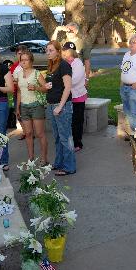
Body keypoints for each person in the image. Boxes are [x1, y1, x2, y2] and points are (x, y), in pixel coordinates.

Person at [44, 40, 76, 176]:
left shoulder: (64, 65)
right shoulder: (51, 65)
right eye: (47, 50)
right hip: (52, 105)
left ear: (58, 51)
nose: (48, 53)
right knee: (57, 137)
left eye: (51, 50)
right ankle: (59, 162)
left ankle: (69, 166)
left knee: (65, 137)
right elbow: (53, 84)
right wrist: (46, 87)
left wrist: (60, 106)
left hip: (61, 106)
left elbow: (68, 88)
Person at [14, 50, 48, 164]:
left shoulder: (36, 73)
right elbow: (19, 92)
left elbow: (45, 89)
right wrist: (17, 107)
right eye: (21, 60)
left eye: (25, 60)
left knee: (39, 134)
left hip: (36, 105)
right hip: (24, 106)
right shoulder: (18, 74)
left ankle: (44, 158)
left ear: (31, 61)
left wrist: (36, 88)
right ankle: (31, 158)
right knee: (28, 133)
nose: (23, 62)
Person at [62, 42, 87, 152]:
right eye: (64, 50)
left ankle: (78, 143)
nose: (65, 53)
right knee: (69, 121)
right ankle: (70, 141)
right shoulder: (64, 63)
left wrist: (63, 83)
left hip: (78, 96)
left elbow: (75, 80)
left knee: (77, 121)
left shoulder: (77, 63)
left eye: (67, 51)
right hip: (68, 97)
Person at [10, 45, 28, 140]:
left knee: (27, 112)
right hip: (17, 92)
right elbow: (11, 79)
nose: (20, 56)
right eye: (19, 54)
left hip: (27, 92)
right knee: (18, 112)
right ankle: (25, 131)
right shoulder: (14, 66)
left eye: (22, 53)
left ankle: (30, 132)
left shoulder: (27, 64)